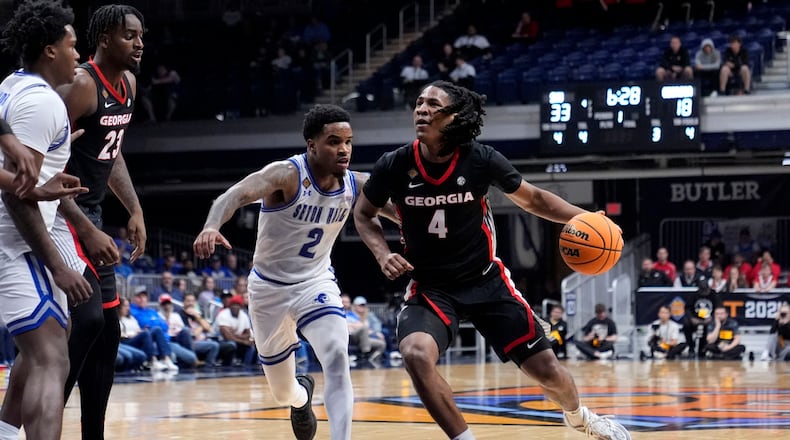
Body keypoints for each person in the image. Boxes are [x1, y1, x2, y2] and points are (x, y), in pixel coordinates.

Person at [353, 81, 631, 440]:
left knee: (548, 372)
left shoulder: (480, 159)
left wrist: (587, 219)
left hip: (486, 280)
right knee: (415, 354)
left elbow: (534, 199)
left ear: (454, 117)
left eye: (432, 104)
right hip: (431, 287)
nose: (421, 109)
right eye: (418, 102)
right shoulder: (395, 164)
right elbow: (364, 213)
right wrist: (382, 253)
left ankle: (580, 418)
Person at [194, 104, 398, 440]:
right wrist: (211, 226)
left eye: (348, 141)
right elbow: (233, 195)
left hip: (314, 282)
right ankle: (301, 399)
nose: (344, 149)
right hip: (268, 289)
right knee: (282, 392)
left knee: (335, 353)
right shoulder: (286, 175)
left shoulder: (357, 183)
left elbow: (404, 212)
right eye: (334, 141)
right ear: (312, 145)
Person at [0, 3, 94, 439]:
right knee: (50, 356)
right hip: (11, 242)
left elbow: (29, 179)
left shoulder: (13, 86)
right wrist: (57, 263)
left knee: (48, 340)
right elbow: (18, 193)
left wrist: (54, 151)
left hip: (15, 240)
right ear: (50, 50)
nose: (79, 54)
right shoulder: (42, 103)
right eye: (73, 45)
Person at [55, 6, 148, 439]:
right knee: (91, 320)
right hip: (57, 211)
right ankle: (42, 416)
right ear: (105, 39)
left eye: (141, 35)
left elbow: (111, 155)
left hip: (90, 214)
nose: (140, 43)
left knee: (109, 333)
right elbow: (44, 165)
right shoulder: (80, 87)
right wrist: (89, 229)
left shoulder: (127, 85)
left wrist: (134, 208)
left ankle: (94, 433)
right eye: (130, 35)